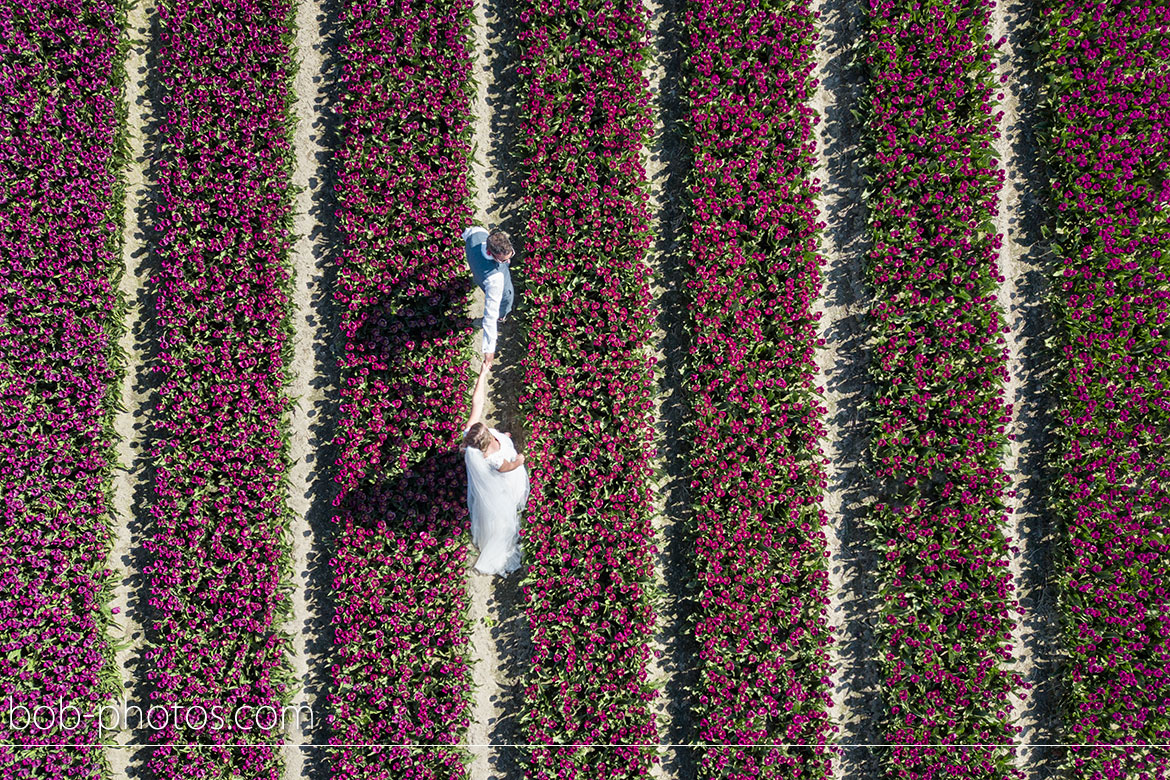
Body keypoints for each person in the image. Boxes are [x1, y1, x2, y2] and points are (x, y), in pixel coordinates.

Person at [460, 361, 528, 575]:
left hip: (501, 451)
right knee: (509, 503)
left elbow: (477, 402)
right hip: (505, 478)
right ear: (486, 439)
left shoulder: (470, 435)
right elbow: (507, 467)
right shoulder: (492, 459)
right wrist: (519, 461)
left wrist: (482, 375)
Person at [462, 226, 516, 369]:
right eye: (503, 261)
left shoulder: (477, 233)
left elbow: (466, 234)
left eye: (511, 255)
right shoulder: (495, 280)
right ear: (490, 252)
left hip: (478, 272)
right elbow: (489, 316)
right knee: (505, 302)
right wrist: (489, 349)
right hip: (491, 283)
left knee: (480, 280)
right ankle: (502, 317)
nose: (508, 261)